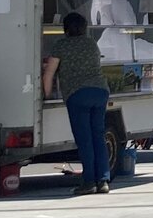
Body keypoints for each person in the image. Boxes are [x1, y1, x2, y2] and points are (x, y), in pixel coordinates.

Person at [42, 11, 111, 195]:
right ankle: (103, 180)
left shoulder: (61, 46)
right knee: (98, 136)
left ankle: (89, 182)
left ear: (65, 29)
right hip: (100, 92)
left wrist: (46, 94)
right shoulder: (91, 44)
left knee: (85, 140)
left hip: (78, 94)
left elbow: (49, 73)